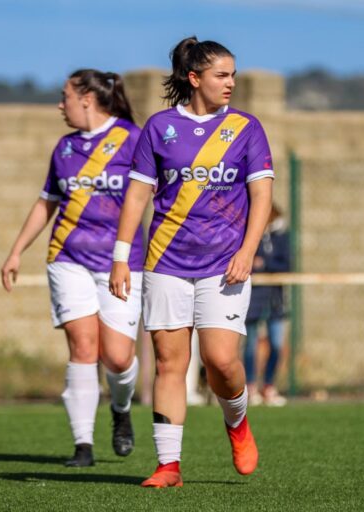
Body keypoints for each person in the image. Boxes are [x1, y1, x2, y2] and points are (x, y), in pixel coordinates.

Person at [109, 36, 274, 488]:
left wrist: (247, 251)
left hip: (225, 264)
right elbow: (137, 196)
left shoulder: (246, 128)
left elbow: (262, 196)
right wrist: (121, 257)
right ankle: (169, 466)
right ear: (194, 78)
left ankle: (237, 421)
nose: (231, 82)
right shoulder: (159, 127)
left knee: (221, 360)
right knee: (169, 363)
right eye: (222, 75)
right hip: (166, 263)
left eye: (234, 74)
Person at [1, 69, 144, 467]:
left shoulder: (133, 139)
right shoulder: (64, 149)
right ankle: (83, 445)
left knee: (117, 357)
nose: (60, 105)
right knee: (83, 347)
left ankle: (121, 408)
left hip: (122, 262)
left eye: (64, 97)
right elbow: (46, 202)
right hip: (68, 258)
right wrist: (16, 252)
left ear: (86, 99)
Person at [244, 203, 290, 406]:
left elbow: (287, 264)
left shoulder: (281, 235)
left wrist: (264, 263)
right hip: (253, 297)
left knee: (276, 344)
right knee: (250, 344)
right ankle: (250, 386)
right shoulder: (249, 232)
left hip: (275, 299)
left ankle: (269, 385)